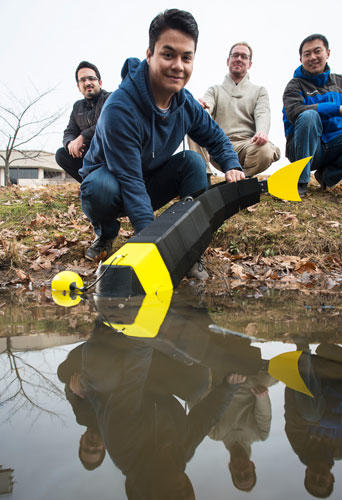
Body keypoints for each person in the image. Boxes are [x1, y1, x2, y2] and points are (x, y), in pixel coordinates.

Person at [79, 9, 244, 277]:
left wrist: (232, 164)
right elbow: (131, 182)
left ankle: (190, 249)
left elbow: (215, 137)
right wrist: (154, 249)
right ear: (150, 54)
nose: (178, 65)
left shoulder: (185, 102)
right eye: (168, 55)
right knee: (100, 189)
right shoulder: (120, 108)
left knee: (192, 161)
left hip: (151, 178)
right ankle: (106, 234)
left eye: (186, 57)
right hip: (113, 182)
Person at [188, 42, 280, 181]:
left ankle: (242, 179)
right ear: (228, 61)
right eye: (235, 55)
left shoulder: (259, 91)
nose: (239, 59)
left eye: (244, 56)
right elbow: (207, 106)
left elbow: (263, 113)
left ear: (250, 64)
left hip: (247, 146)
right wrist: (201, 108)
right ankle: (203, 178)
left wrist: (262, 132)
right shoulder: (215, 90)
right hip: (219, 147)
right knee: (194, 119)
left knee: (265, 150)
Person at [283, 34, 342, 197]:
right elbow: (295, 112)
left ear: (327, 53)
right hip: (304, 148)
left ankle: (327, 176)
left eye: (317, 51)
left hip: (335, 145)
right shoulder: (294, 85)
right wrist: (336, 109)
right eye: (307, 54)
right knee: (309, 116)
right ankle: (300, 181)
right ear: (301, 58)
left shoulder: (340, 82)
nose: (312, 57)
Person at [55, 61, 110, 182]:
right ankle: (90, 183)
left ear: (99, 82)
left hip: (108, 153)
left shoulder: (110, 98)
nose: (88, 83)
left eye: (92, 78)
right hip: (87, 156)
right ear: (78, 87)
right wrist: (70, 144)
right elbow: (69, 131)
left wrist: (83, 137)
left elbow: (108, 123)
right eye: (83, 80)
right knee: (61, 154)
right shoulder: (77, 107)